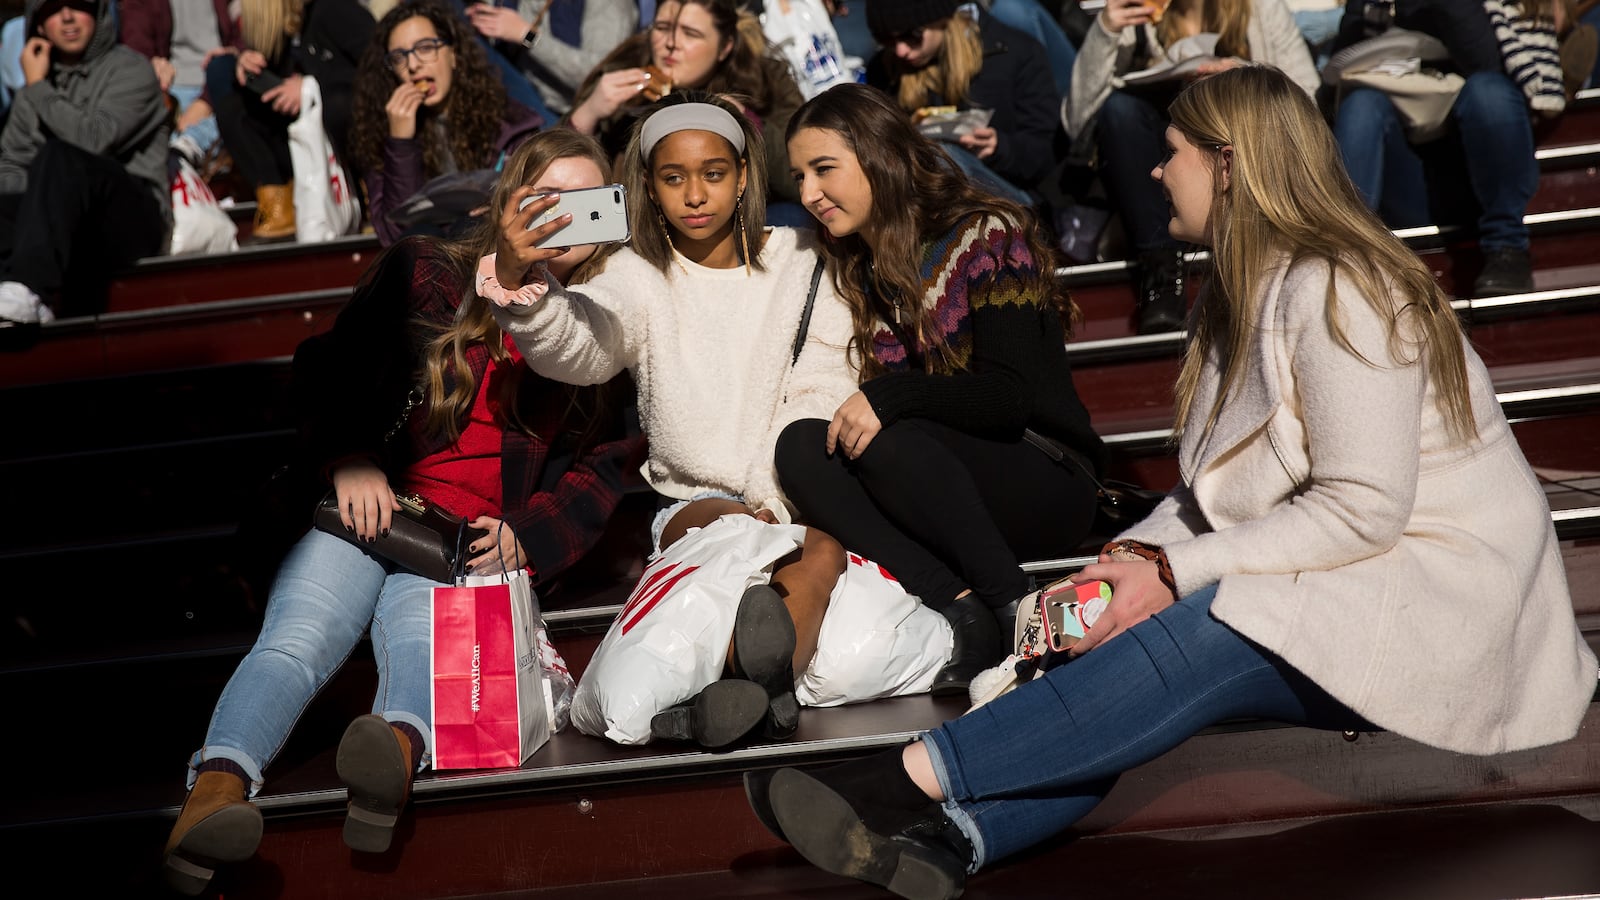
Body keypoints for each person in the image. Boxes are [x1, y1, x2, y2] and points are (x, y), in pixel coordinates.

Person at [749, 64, 1599, 900]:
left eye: (1174, 152)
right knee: (1130, 634)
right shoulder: (1235, 295)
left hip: (1445, 595)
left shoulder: (1345, 286)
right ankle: (959, 837)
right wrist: (1125, 559)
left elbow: (1364, 510)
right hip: (1360, 573)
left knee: (1218, 622)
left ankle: (904, 782)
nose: (1154, 171)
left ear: (1229, 162)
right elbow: (1210, 501)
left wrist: (1168, 575)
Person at [158, 129, 643, 897]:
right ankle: (213, 795)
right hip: (370, 504)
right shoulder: (427, 269)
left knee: (422, 647)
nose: (564, 223)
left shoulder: (599, 325)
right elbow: (327, 368)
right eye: (550, 199)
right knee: (299, 640)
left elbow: (603, 468)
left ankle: (390, 760)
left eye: (587, 205)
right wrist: (347, 455)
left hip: (461, 544)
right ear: (514, 197)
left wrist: (531, 534)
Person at [480, 91, 862, 743]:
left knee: (819, 550)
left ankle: (738, 700)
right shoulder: (637, 273)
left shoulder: (804, 259)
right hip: (697, 501)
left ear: (743, 175)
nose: (694, 194)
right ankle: (754, 702)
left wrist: (773, 497)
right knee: (738, 532)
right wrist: (523, 282)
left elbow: (822, 384)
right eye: (673, 177)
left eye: (713, 174)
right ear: (649, 189)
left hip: (794, 491)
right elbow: (581, 346)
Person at [777, 82, 1105, 697]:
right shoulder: (860, 271)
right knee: (801, 447)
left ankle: (1016, 608)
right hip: (947, 489)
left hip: (1045, 479)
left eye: (824, 170)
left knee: (887, 430)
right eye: (798, 178)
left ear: (882, 155)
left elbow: (1008, 400)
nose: (808, 195)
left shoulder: (988, 233)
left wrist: (891, 397)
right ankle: (962, 608)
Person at [1067, 0, 1316, 333]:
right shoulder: (1140, 16)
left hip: (1243, 148)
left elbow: (1307, 102)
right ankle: (1163, 273)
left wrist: (1241, 81)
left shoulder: (1260, 8)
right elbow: (1077, 123)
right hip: (1165, 157)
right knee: (1120, 111)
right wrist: (1105, 31)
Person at [1329, 0, 1549, 297]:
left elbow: (1489, 65)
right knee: (1360, 104)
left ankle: (1507, 248)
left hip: (1481, 171)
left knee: (1488, 92)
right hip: (1403, 175)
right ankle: (1345, 261)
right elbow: (1338, 77)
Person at [0, 0, 169, 328]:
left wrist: (37, 88)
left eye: (78, 5)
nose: (67, 17)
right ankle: (19, 291)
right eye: (53, 10)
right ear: (38, 24)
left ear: (98, 14)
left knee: (59, 156)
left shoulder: (131, 69)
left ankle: (31, 288)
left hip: (133, 220)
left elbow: (93, 139)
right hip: (65, 229)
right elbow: (10, 166)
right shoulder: (32, 93)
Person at [565, 0, 810, 218]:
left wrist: (747, 120)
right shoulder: (625, 70)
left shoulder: (766, 79)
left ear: (725, 47)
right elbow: (557, 178)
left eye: (690, 33)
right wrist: (589, 113)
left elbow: (800, 179)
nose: (671, 44)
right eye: (661, 28)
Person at [349, 0, 544, 245]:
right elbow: (395, 237)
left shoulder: (507, 121)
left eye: (425, 47)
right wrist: (400, 143)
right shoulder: (383, 132)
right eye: (399, 57)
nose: (412, 65)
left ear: (453, 55)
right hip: (431, 261)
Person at [863, 0, 1060, 207]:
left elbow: (1048, 154)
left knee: (946, 157)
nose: (901, 50)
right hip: (923, 201)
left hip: (1009, 199)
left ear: (943, 20)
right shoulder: (883, 68)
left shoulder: (1013, 52)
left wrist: (1000, 147)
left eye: (912, 35)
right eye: (886, 39)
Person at [208, 0, 374, 240]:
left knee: (338, 107)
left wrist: (310, 87)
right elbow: (282, 82)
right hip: (305, 139)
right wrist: (246, 63)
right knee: (231, 95)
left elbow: (380, 68)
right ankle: (277, 200)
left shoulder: (334, 10)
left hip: (350, 141)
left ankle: (368, 195)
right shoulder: (286, 29)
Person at [461, 0, 638, 117]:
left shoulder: (612, 5)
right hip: (504, 103)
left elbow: (598, 75)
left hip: (562, 116)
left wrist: (527, 35)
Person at [119, 0, 240, 165]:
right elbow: (135, 42)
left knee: (237, 113)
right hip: (173, 83)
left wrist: (205, 102)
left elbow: (247, 40)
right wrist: (152, 63)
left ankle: (185, 150)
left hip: (224, 82)